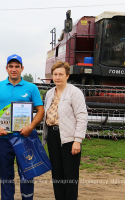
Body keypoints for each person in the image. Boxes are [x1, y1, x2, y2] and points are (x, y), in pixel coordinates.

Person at [0, 54, 44, 200]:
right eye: (11, 66)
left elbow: (40, 110)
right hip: (4, 138)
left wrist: (31, 127)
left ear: (22, 68)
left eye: (17, 66)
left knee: (27, 173)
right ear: (6, 68)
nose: (14, 69)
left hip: (25, 137)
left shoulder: (31, 88)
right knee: (6, 175)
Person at [42, 61, 88, 200]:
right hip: (53, 136)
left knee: (70, 175)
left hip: (69, 139)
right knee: (57, 174)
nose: (57, 77)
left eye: (61, 74)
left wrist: (77, 141)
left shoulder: (75, 92)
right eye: (55, 74)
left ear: (67, 76)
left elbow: (82, 116)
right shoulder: (49, 93)